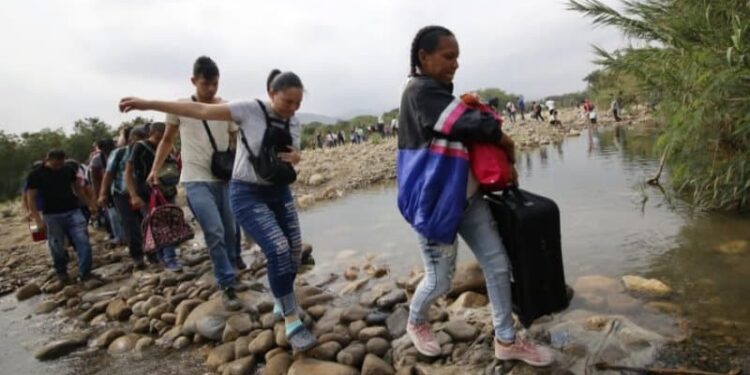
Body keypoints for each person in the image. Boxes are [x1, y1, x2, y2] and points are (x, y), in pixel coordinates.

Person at [119, 69, 317, 352]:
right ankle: (290, 318)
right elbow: (198, 109)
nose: (292, 109)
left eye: (298, 104)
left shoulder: (294, 122)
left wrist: (296, 156)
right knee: (278, 249)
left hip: (279, 191)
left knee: (294, 251)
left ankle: (280, 297)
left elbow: (290, 157)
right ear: (272, 94)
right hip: (247, 193)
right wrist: (149, 104)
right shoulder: (249, 110)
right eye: (288, 102)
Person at [397, 25, 554, 366]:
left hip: (468, 199)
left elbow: (462, 124)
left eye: (457, 57)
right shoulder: (419, 91)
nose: (455, 64)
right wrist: (508, 145)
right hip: (435, 204)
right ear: (424, 57)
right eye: (448, 56)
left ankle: (506, 339)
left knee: (497, 266)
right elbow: (473, 125)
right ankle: (416, 320)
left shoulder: (439, 91)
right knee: (440, 280)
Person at [147, 56, 248, 295]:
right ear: (194, 81)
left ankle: (233, 267)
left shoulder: (225, 108)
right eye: (206, 84)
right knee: (214, 230)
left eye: (215, 83)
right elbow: (168, 139)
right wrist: (154, 169)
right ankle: (226, 282)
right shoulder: (180, 108)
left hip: (224, 178)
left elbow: (236, 140)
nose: (211, 89)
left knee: (230, 230)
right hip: (195, 179)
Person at [27, 149, 96, 283]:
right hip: (51, 215)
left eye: (61, 163)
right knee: (56, 246)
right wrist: (37, 220)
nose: (59, 167)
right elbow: (31, 198)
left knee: (83, 241)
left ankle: (85, 273)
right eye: (56, 164)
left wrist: (89, 204)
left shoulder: (68, 170)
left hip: (73, 211)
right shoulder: (36, 174)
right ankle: (61, 272)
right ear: (49, 159)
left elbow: (78, 189)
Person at [124, 122, 183, 272]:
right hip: (147, 193)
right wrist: (133, 195)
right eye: (157, 138)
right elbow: (128, 172)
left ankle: (165, 257)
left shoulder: (169, 146)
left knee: (166, 223)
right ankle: (169, 259)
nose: (160, 141)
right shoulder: (139, 147)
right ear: (152, 134)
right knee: (159, 225)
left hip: (167, 190)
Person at [99, 125, 149, 269]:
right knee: (130, 225)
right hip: (121, 193)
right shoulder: (119, 153)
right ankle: (138, 257)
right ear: (131, 139)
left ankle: (153, 253)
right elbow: (108, 175)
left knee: (147, 222)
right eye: (138, 139)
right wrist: (103, 193)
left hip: (142, 192)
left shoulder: (146, 151)